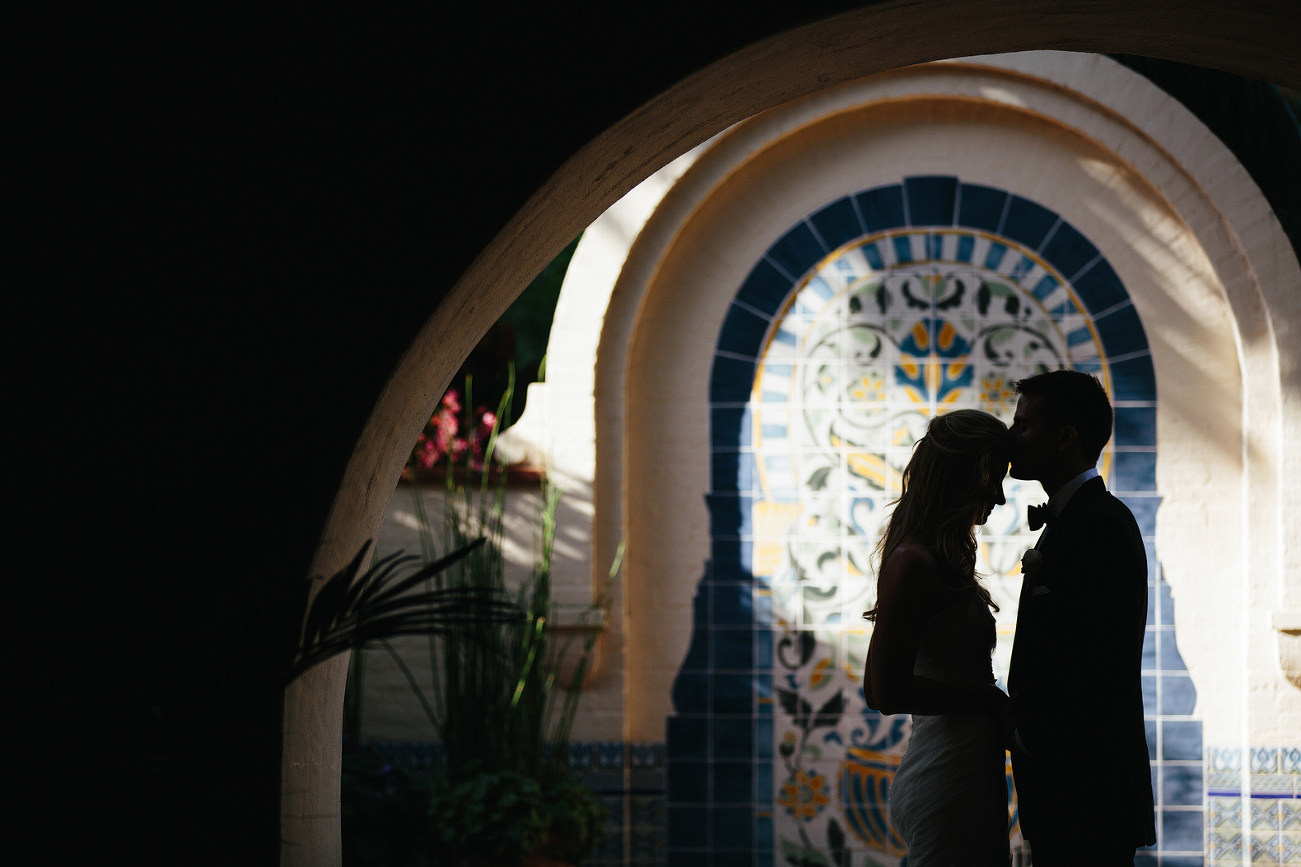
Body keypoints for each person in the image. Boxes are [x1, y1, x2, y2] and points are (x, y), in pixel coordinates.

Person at [1005, 370, 1156, 865]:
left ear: (1066, 437)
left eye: (1023, 426)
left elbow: (1098, 663)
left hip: (1088, 791)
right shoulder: (1075, 520)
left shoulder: (1102, 526)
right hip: (1066, 790)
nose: (1012, 437)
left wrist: (1026, 734)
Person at [863, 409, 1013, 866]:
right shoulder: (915, 560)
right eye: (995, 479)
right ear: (964, 476)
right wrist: (988, 700)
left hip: (967, 765)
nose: (1001, 498)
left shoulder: (938, 557)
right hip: (947, 773)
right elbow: (883, 690)